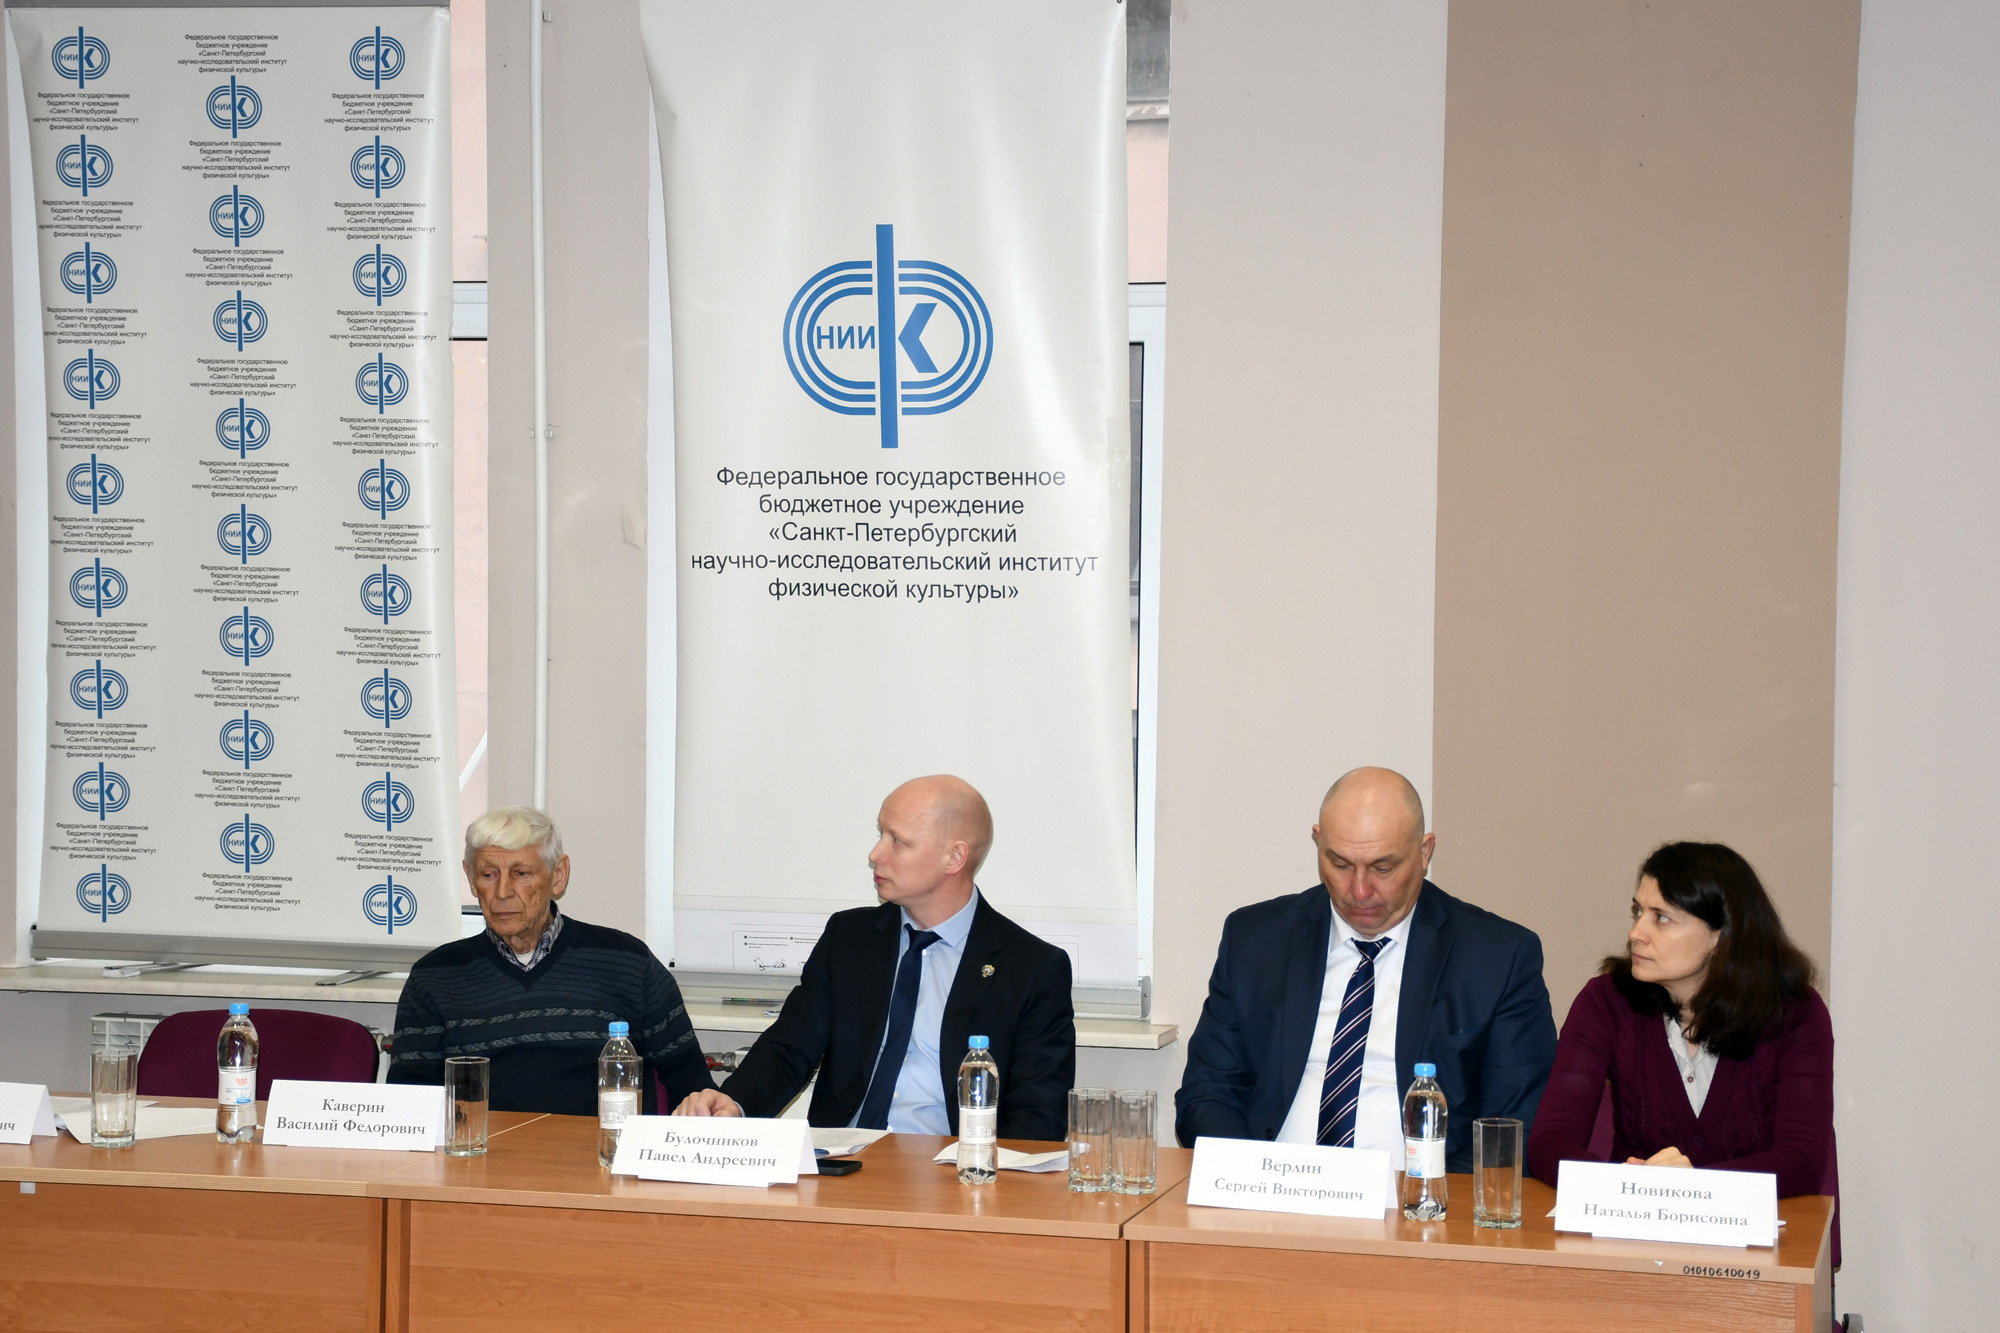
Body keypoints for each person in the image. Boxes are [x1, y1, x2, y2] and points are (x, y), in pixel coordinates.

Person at [1174, 767, 1557, 1171]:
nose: (1359, 891)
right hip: (1274, 1187)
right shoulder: (1256, 940)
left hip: (1420, 1197)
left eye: (1383, 868)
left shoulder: (1498, 958)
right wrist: (1253, 1177)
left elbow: (1513, 1129)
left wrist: (1424, 1194)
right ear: (1318, 842)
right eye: (1340, 864)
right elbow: (1207, 1093)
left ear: (1424, 853)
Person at [675, 775, 1075, 1141]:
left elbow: (1037, 1116)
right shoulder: (849, 938)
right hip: (841, 1161)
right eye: (880, 834)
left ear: (954, 858)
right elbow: (790, 1047)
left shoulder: (1031, 969)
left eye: (898, 841)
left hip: (951, 1170)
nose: (875, 854)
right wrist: (735, 1103)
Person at [1525, 841, 1833, 1197]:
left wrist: (1693, 1187)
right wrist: (1622, 1187)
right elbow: (1550, 1140)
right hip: (1635, 1222)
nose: (1636, 933)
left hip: (1759, 1228)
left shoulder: (1795, 1013)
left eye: (1662, 918)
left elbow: (1803, 1161)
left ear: (1721, 934)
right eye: (1638, 912)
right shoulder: (1606, 1001)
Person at [387, 806, 714, 1115]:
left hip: (600, 1150)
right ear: (470, 878)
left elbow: (692, 1087)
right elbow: (408, 1107)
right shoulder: (435, 976)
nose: (502, 892)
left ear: (558, 875)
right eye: (488, 874)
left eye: (521, 874)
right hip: (480, 1151)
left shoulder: (627, 963)